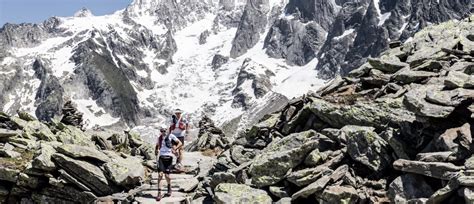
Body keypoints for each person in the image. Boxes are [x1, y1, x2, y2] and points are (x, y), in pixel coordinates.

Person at [155, 124, 182, 201]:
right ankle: (159, 193)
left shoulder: (171, 136)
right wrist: (156, 150)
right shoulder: (159, 138)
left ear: (167, 130)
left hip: (169, 157)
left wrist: (175, 149)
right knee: (160, 175)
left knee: (167, 175)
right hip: (161, 157)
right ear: (160, 131)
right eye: (162, 131)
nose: (163, 132)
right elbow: (157, 145)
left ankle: (169, 187)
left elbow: (180, 143)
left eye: (164, 130)